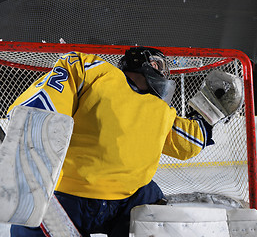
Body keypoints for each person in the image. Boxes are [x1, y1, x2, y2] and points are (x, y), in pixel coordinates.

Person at [9, 46, 214, 237]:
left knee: (151, 195)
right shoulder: (98, 72)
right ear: (138, 61)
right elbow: (53, 91)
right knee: (30, 216)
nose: (163, 73)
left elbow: (189, 143)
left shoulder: (162, 110)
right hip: (68, 198)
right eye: (158, 64)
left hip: (128, 201)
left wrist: (210, 112)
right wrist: (30, 133)